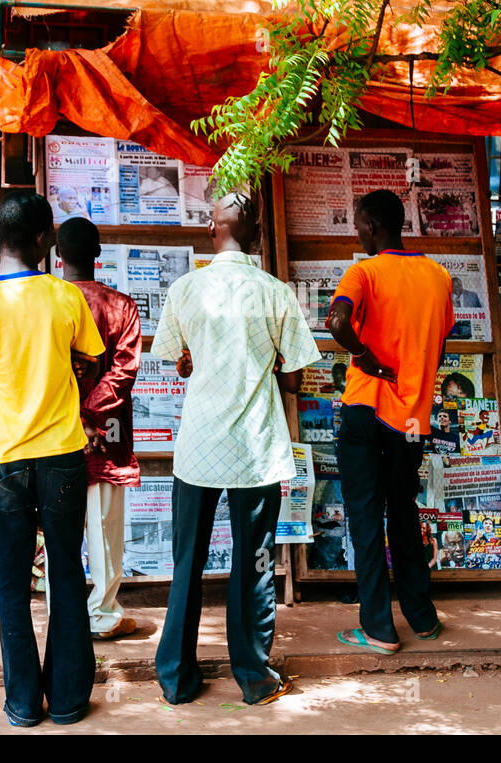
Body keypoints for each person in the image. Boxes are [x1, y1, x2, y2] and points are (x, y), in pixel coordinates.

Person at [151, 192, 320, 706]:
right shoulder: (275, 293)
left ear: (211, 229)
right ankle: (253, 676)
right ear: (254, 232)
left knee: (187, 564)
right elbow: (294, 381)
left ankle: (177, 679)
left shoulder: (185, 289)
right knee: (254, 566)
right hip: (256, 450)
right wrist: (267, 364)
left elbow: (176, 359)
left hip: (199, 448)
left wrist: (193, 361)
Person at [0, 191, 104, 727]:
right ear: (44, 240)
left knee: (12, 584)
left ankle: (22, 702)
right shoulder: (66, 299)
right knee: (66, 574)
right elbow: (91, 357)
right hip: (61, 453)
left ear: (1, 237)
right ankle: (67, 700)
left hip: (3, 457)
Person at [326, 189, 454, 654]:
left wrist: (366, 358)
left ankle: (379, 628)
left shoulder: (364, 272)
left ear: (373, 227)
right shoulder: (439, 277)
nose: (357, 232)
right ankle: (422, 618)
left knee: (364, 519)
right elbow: (438, 345)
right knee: (404, 512)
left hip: (366, 412)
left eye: (359, 224)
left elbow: (337, 323)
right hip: (412, 420)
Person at [56, 217, 142, 641]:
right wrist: (91, 417)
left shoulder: (50, 303)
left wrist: (72, 417)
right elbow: (124, 372)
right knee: (106, 529)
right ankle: (103, 614)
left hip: (54, 433)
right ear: (98, 253)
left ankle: (63, 611)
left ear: (56, 256)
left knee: (60, 529)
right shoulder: (121, 306)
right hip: (108, 432)